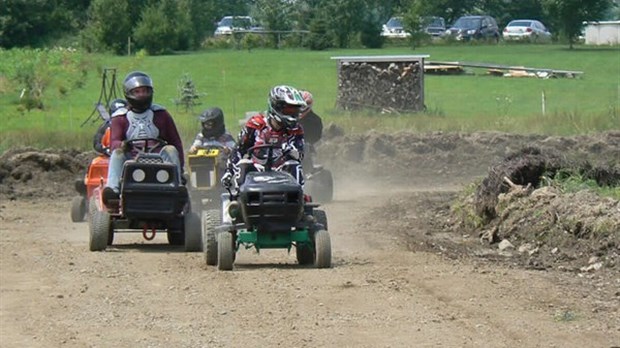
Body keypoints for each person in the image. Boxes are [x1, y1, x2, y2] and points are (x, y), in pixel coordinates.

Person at [102, 71, 185, 203]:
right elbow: (114, 143)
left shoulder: (161, 114)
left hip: (158, 157)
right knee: (117, 153)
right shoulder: (120, 117)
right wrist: (122, 145)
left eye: (145, 91)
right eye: (137, 92)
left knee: (171, 149)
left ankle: (177, 186)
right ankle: (113, 189)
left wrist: (182, 168)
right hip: (131, 156)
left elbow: (176, 141)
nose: (142, 95)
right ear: (129, 94)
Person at [221, 85, 307, 189]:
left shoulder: (296, 130)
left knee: (294, 164)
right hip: (256, 170)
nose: (293, 115)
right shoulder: (256, 125)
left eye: (295, 111)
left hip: (282, 171)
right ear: (276, 107)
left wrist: (291, 151)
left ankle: (298, 197)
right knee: (244, 163)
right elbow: (238, 149)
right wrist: (229, 172)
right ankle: (239, 198)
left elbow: (300, 155)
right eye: (289, 110)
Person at [297, 90, 323, 171]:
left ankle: (307, 171)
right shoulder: (286, 117)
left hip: (303, 147)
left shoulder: (315, 121)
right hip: (283, 144)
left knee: (306, 149)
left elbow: (314, 137)